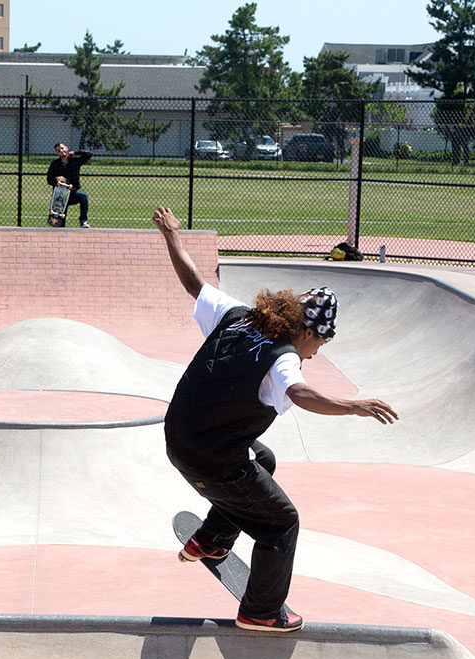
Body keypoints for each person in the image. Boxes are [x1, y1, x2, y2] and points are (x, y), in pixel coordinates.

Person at [151, 205, 399, 633]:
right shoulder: (283, 361)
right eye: (320, 342)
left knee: (261, 460)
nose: (317, 352)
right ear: (307, 331)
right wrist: (352, 405)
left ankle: (210, 542)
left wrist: (171, 234)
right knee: (281, 522)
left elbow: (194, 283)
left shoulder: (238, 316)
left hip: (179, 436)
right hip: (210, 459)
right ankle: (262, 610)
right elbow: (299, 393)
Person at [46, 142, 93, 227]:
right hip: (61, 195)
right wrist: (56, 179)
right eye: (58, 150)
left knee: (83, 196)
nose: (61, 151)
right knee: (59, 224)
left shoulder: (75, 161)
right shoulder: (55, 164)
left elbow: (89, 154)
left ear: (66, 148)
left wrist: (75, 153)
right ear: (56, 153)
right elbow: (49, 179)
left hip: (73, 193)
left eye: (62, 148)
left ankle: (83, 221)